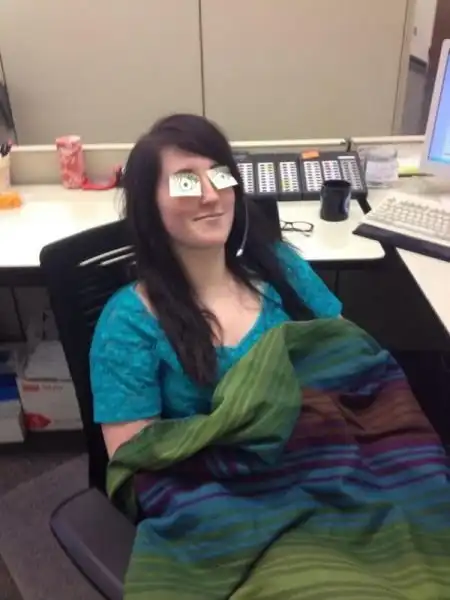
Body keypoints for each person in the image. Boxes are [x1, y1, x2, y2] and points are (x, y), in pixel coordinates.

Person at [90, 114, 342, 458]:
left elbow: (349, 358)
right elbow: (135, 463)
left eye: (220, 176)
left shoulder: (280, 267)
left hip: (317, 456)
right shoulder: (128, 324)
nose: (211, 196)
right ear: (149, 205)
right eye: (186, 183)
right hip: (212, 481)